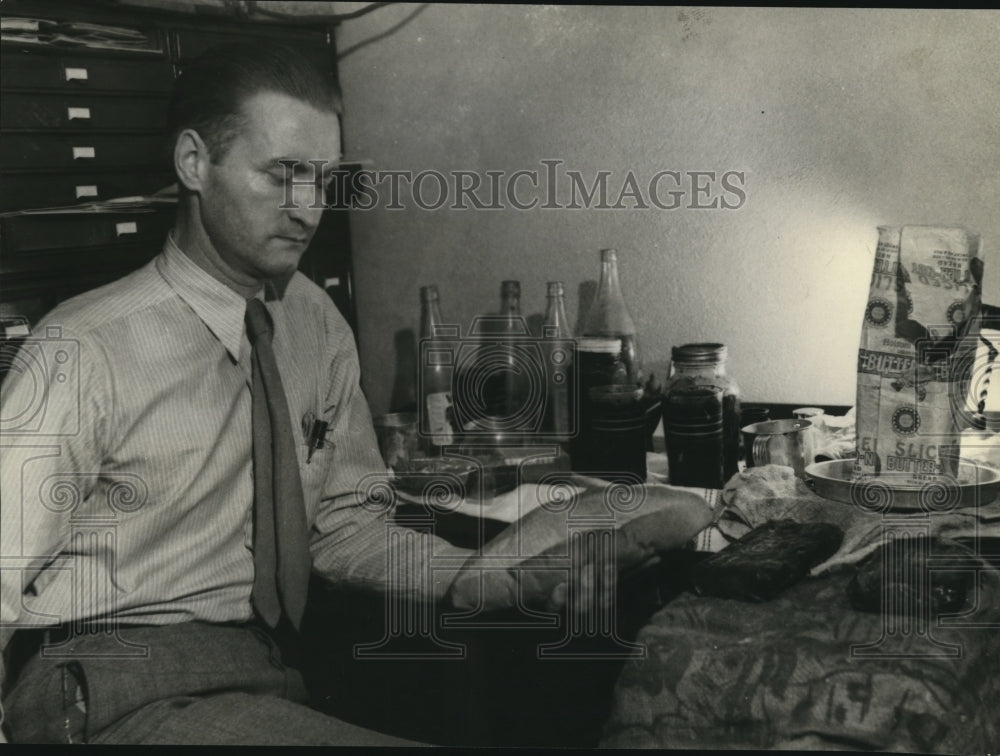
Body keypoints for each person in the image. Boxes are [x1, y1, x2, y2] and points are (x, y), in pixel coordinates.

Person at [0, 42, 713, 746]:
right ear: (194, 162)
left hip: (264, 669)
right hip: (107, 683)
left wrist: (486, 580)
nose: (308, 208)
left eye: (323, 178)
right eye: (282, 174)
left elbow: (345, 525)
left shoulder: (312, 322)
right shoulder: (85, 348)